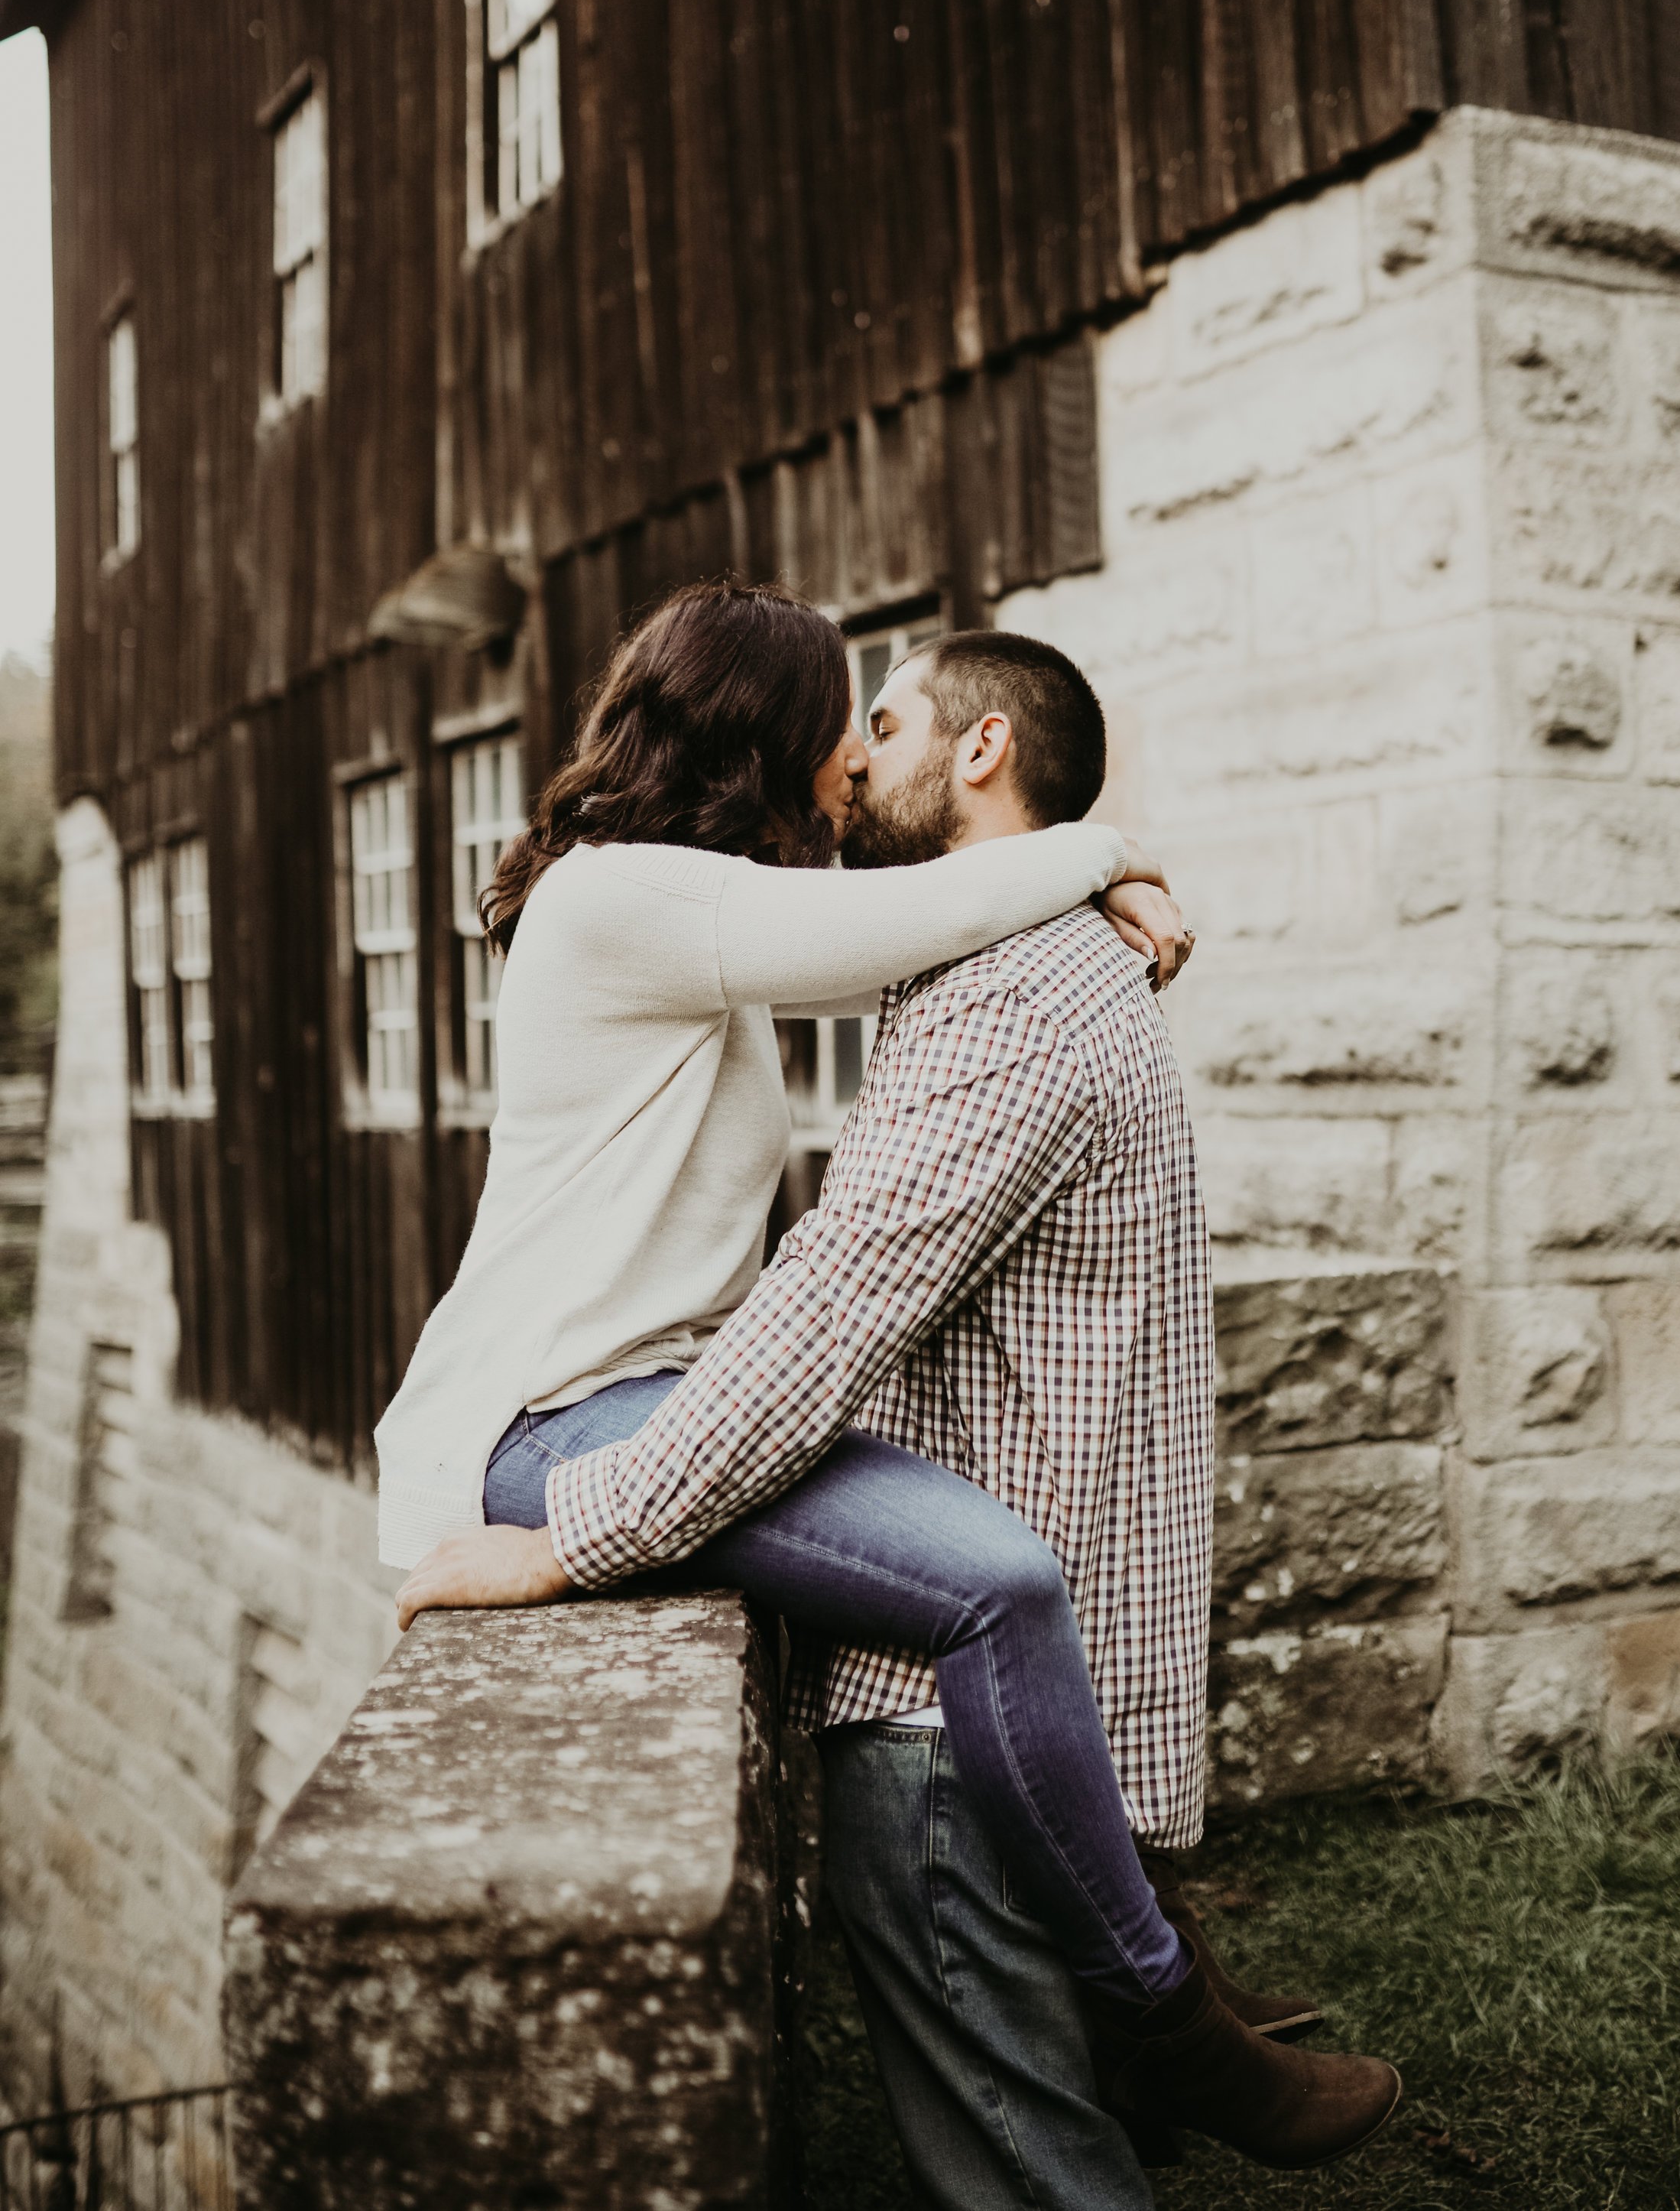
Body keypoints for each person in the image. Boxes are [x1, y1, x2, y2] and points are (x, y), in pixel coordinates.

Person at [395, 609, 1403, 2196]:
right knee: (996, 1580)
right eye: (836, 718)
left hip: (644, 1396)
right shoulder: (625, 901)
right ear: (761, 731)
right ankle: (1166, 2013)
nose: (848, 755)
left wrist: (1085, 865)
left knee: (995, 1587)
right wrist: (571, 1541)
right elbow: (932, 927)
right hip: (559, 1416)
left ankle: (1162, 2009)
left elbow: (936, 938)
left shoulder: (719, 916)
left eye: (878, 720)